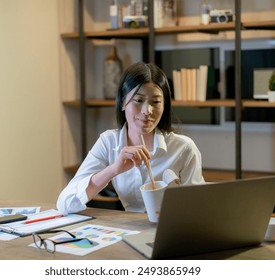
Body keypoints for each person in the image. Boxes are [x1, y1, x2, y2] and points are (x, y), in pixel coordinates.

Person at [57, 62, 204, 214]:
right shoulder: (108, 142)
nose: (147, 110)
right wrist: (113, 169)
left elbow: (201, 210)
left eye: (156, 102)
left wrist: (175, 212)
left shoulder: (183, 148)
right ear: (122, 102)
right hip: (128, 231)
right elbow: (65, 204)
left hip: (171, 229)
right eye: (139, 100)